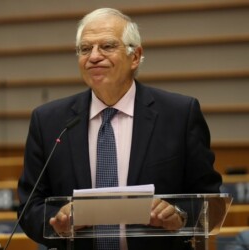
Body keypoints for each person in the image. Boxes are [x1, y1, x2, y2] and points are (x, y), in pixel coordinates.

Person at [17, 7, 222, 250]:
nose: (94, 56)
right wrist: (55, 221)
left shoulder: (179, 114)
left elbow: (210, 200)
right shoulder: (49, 121)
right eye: (85, 48)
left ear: (135, 56)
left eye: (107, 46)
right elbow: (30, 207)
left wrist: (179, 213)